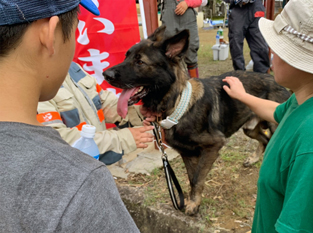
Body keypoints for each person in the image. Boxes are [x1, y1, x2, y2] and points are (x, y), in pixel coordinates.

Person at [0, 0, 150, 231]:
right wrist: (126, 138)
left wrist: (142, 112)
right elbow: (64, 141)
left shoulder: (75, 71)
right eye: (75, 27)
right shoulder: (78, 183)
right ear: (48, 34)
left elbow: (105, 102)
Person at [223, 0, 313, 232]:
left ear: (305, 62)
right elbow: (277, 112)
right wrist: (243, 96)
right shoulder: (311, 96)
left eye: (280, 46)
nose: (271, 52)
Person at [37, 62, 154, 165]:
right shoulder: (33, 82)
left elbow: (102, 102)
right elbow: (55, 139)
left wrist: (138, 113)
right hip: (69, 172)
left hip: (94, 165)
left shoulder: (72, 67)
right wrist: (122, 139)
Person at [160, 0, 207, 78]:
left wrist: (188, 3)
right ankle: (172, 86)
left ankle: (194, 85)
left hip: (188, 15)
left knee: (191, 48)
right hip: (169, 13)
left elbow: (204, 1)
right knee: (169, 52)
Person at [225, 0, 270, 73]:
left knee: (260, 46)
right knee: (236, 45)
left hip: (256, 6)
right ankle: (240, 75)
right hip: (238, 8)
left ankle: (262, 77)